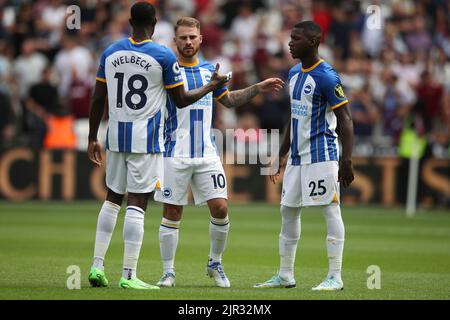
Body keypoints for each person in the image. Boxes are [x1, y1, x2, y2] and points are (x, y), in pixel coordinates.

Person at [87, 2, 229, 290]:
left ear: (129, 21)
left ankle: (97, 265)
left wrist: (93, 137)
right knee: (137, 203)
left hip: (115, 137)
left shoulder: (110, 51)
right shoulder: (163, 55)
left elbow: (97, 98)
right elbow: (180, 100)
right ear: (155, 23)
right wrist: (209, 88)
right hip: (146, 140)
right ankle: (129, 275)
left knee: (112, 198)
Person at [153, 17, 284, 288]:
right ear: (174, 41)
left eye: (192, 37)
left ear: (201, 39)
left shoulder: (208, 72)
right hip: (173, 153)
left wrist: (257, 88)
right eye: (183, 38)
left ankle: (215, 263)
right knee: (172, 212)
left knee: (221, 207)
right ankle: (168, 272)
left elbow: (229, 100)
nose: (188, 42)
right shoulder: (167, 71)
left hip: (207, 153)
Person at [254, 21, 354, 291]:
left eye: (296, 38)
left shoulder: (327, 76)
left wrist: (346, 160)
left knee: (330, 210)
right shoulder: (294, 72)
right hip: (298, 158)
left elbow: (345, 119)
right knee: (288, 211)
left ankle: (335, 276)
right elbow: (294, 117)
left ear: (313, 41)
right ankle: (285, 274)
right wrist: (282, 153)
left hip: (322, 156)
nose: (290, 43)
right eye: (290, 37)